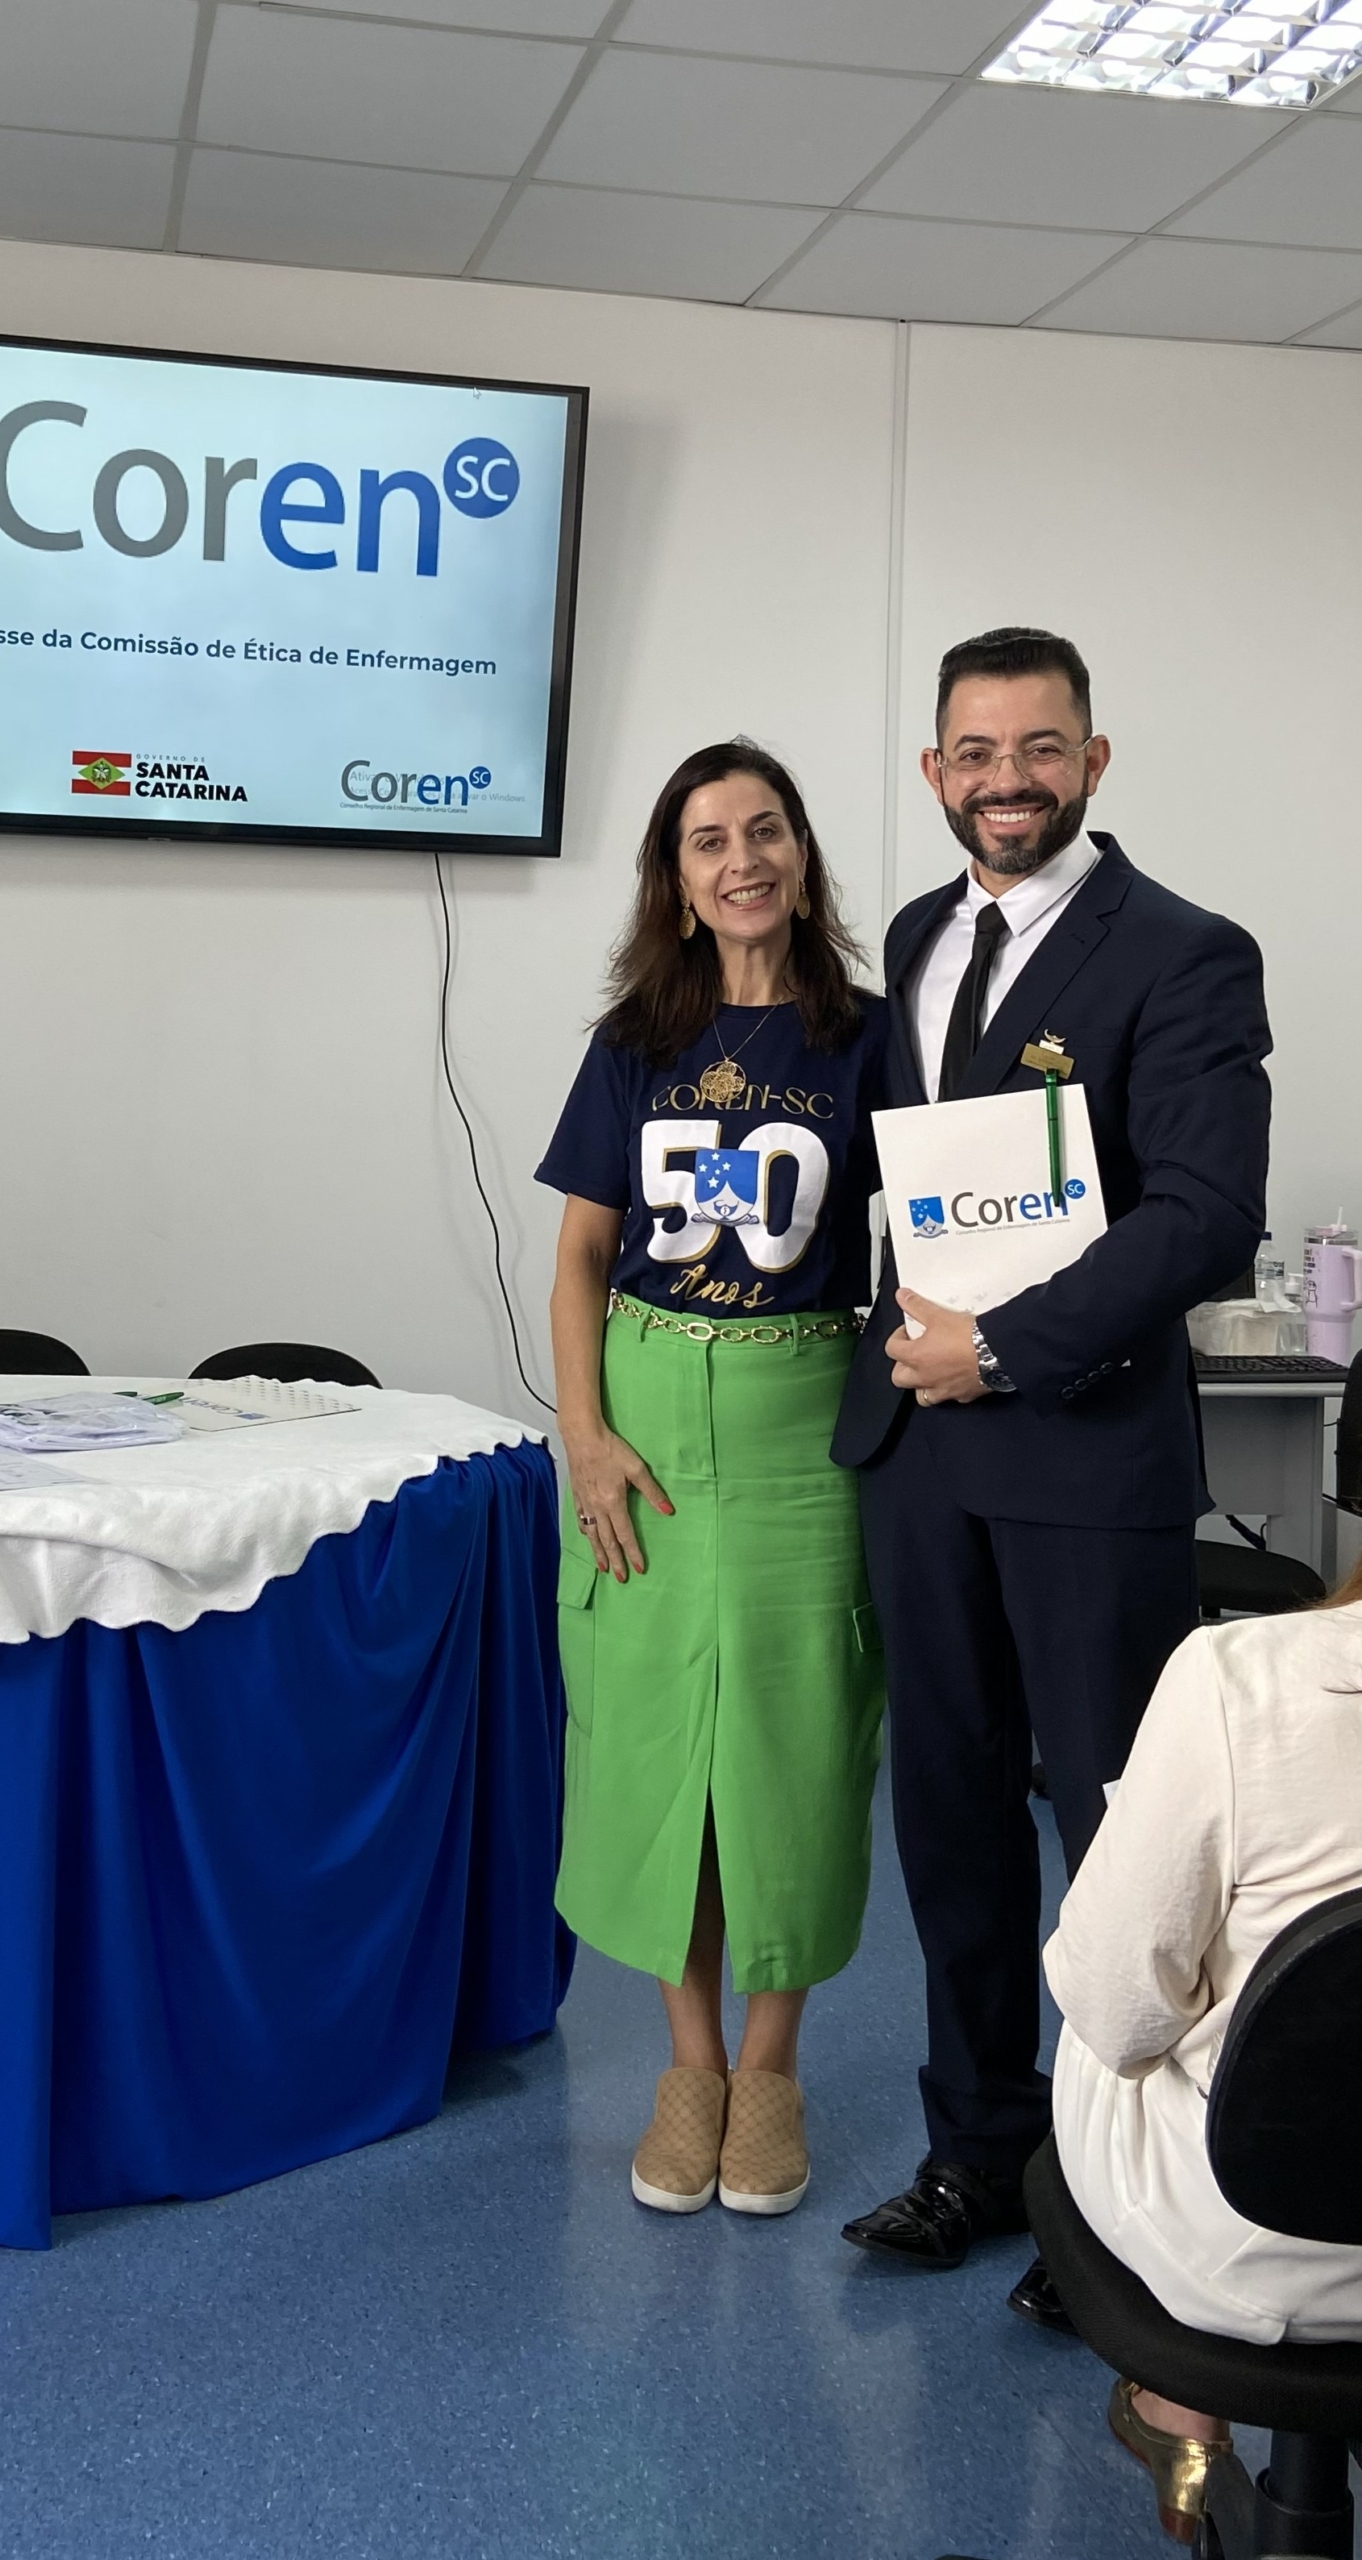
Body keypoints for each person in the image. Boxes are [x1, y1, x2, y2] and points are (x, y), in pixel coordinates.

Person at [830, 628, 1272, 2327]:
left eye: (1037, 748)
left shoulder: (1185, 951)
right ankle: (977, 2149)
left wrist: (1003, 1347)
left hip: (1082, 1453)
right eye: (974, 751)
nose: (1004, 780)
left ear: (1091, 760)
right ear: (933, 772)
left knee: (1111, 1838)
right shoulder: (916, 940)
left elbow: (1203, 1217)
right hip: (918, 1460)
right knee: (945, 1819)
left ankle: (1108, 2197)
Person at [537, 740, 886, 2217]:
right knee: (657, 1753)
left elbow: (940, 1224)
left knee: (791, 1752)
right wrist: (584, 1433)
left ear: (799, 856)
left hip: (802, 1427)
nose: (739, 859)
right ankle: (689, 2070)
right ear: (675, 883)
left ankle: (771, 2068)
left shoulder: (872, 1041)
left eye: (763, 830)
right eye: (706, 840)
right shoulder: (633, 1044)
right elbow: (579, 1255)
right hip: (645, 1427)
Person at [1044, 1556, 1362, 2543]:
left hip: (1266, 2254)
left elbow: (1112, 2009)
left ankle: (1181, 2415)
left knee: (1116, 2003)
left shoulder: (1239, 1680)